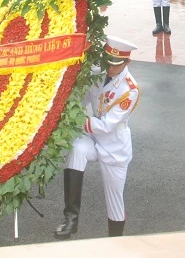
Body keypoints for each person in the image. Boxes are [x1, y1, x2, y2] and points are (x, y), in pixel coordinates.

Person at [54, 36, 140, 240]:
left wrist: (75, 120)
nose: (110, 68)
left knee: (115, 203)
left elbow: (106, 125)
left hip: (114, 147)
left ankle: (115, 243)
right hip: (93, 139)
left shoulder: (130, 89)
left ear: (127, 62)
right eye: (107, 62)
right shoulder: (97, 73)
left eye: (115, 65)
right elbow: (81, 101)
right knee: (77, 149)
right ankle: (71, 220)